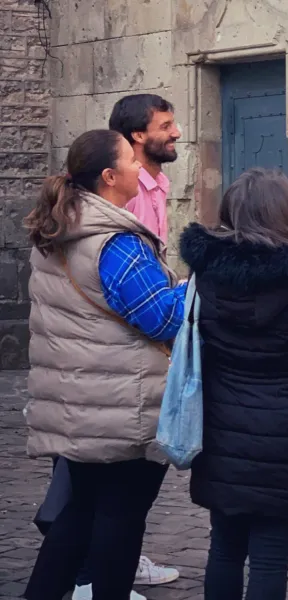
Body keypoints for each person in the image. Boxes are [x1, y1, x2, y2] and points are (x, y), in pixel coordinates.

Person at [22, 129, 188, 600]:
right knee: (118, 525)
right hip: (119, 409)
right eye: (130, 161)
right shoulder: (116, 242)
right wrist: (194, 288)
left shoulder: (58, 228)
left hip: (80, 406)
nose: (140, 167)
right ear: (110, 177)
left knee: (76, 518)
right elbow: (163, 318)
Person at [178, 168, 288, 600]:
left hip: (221, 423)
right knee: (271, 558)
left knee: (225, 548)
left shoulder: (207, 271)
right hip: (287, 426)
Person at [109, 93, 182, 243]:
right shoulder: (123, 188)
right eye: (165, 127)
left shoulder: (159, 182)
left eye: (173, 125)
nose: (177, 133)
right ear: (139, 136)